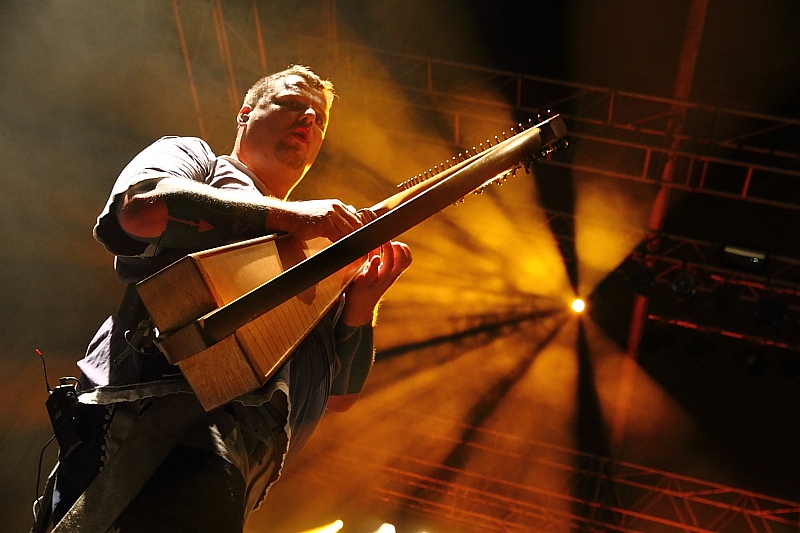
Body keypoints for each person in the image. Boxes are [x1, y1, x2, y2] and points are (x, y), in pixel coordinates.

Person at [33, 65, 412, 532]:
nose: (308, 119)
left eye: (319, 119)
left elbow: (340, 396)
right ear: (245, 113)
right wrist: (291, 217)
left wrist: (362, 305)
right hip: (157, 424)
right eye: (292, 104)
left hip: (236, 467)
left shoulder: (316, 257)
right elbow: (139, 212)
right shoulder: (198, 161)